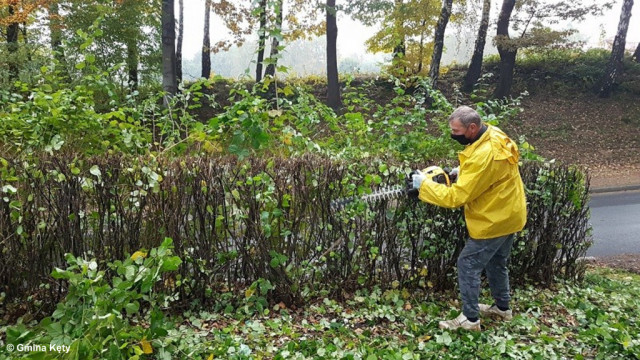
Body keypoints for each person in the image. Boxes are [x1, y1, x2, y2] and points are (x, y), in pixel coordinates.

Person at [411, 105, 527, 331]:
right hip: (510, 213)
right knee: (496, 262)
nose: (452, 135)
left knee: (468, 264)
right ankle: (502, 309)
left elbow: (457, 196)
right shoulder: (494, 134)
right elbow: (489, 174)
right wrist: (461, 171)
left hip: (494, 219)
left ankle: (470, 319)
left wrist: (424, 186)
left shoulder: (485, 155)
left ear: (472, 128)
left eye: (456, 131)